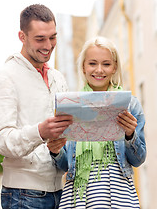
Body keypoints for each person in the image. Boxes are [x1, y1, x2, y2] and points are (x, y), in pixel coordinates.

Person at [0, 4, 73, 209]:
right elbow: (1, 141)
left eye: (53, 37)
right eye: (40, 39)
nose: (48, 45)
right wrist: (40, 132)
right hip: (22, 196)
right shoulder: (4, 77)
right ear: (22, 36)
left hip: (60, 192)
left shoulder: (58, 77)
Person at [48, 36, 146, 208]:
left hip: (119, 195)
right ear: (84, 67)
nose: (99, 70)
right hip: (78, 196)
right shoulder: (70, 105)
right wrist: (56, 152)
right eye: (92, 63)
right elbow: (65, 165)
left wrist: (130, 135)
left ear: (114, 67)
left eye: (106, 64)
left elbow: (138, 160)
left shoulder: (130, 104)